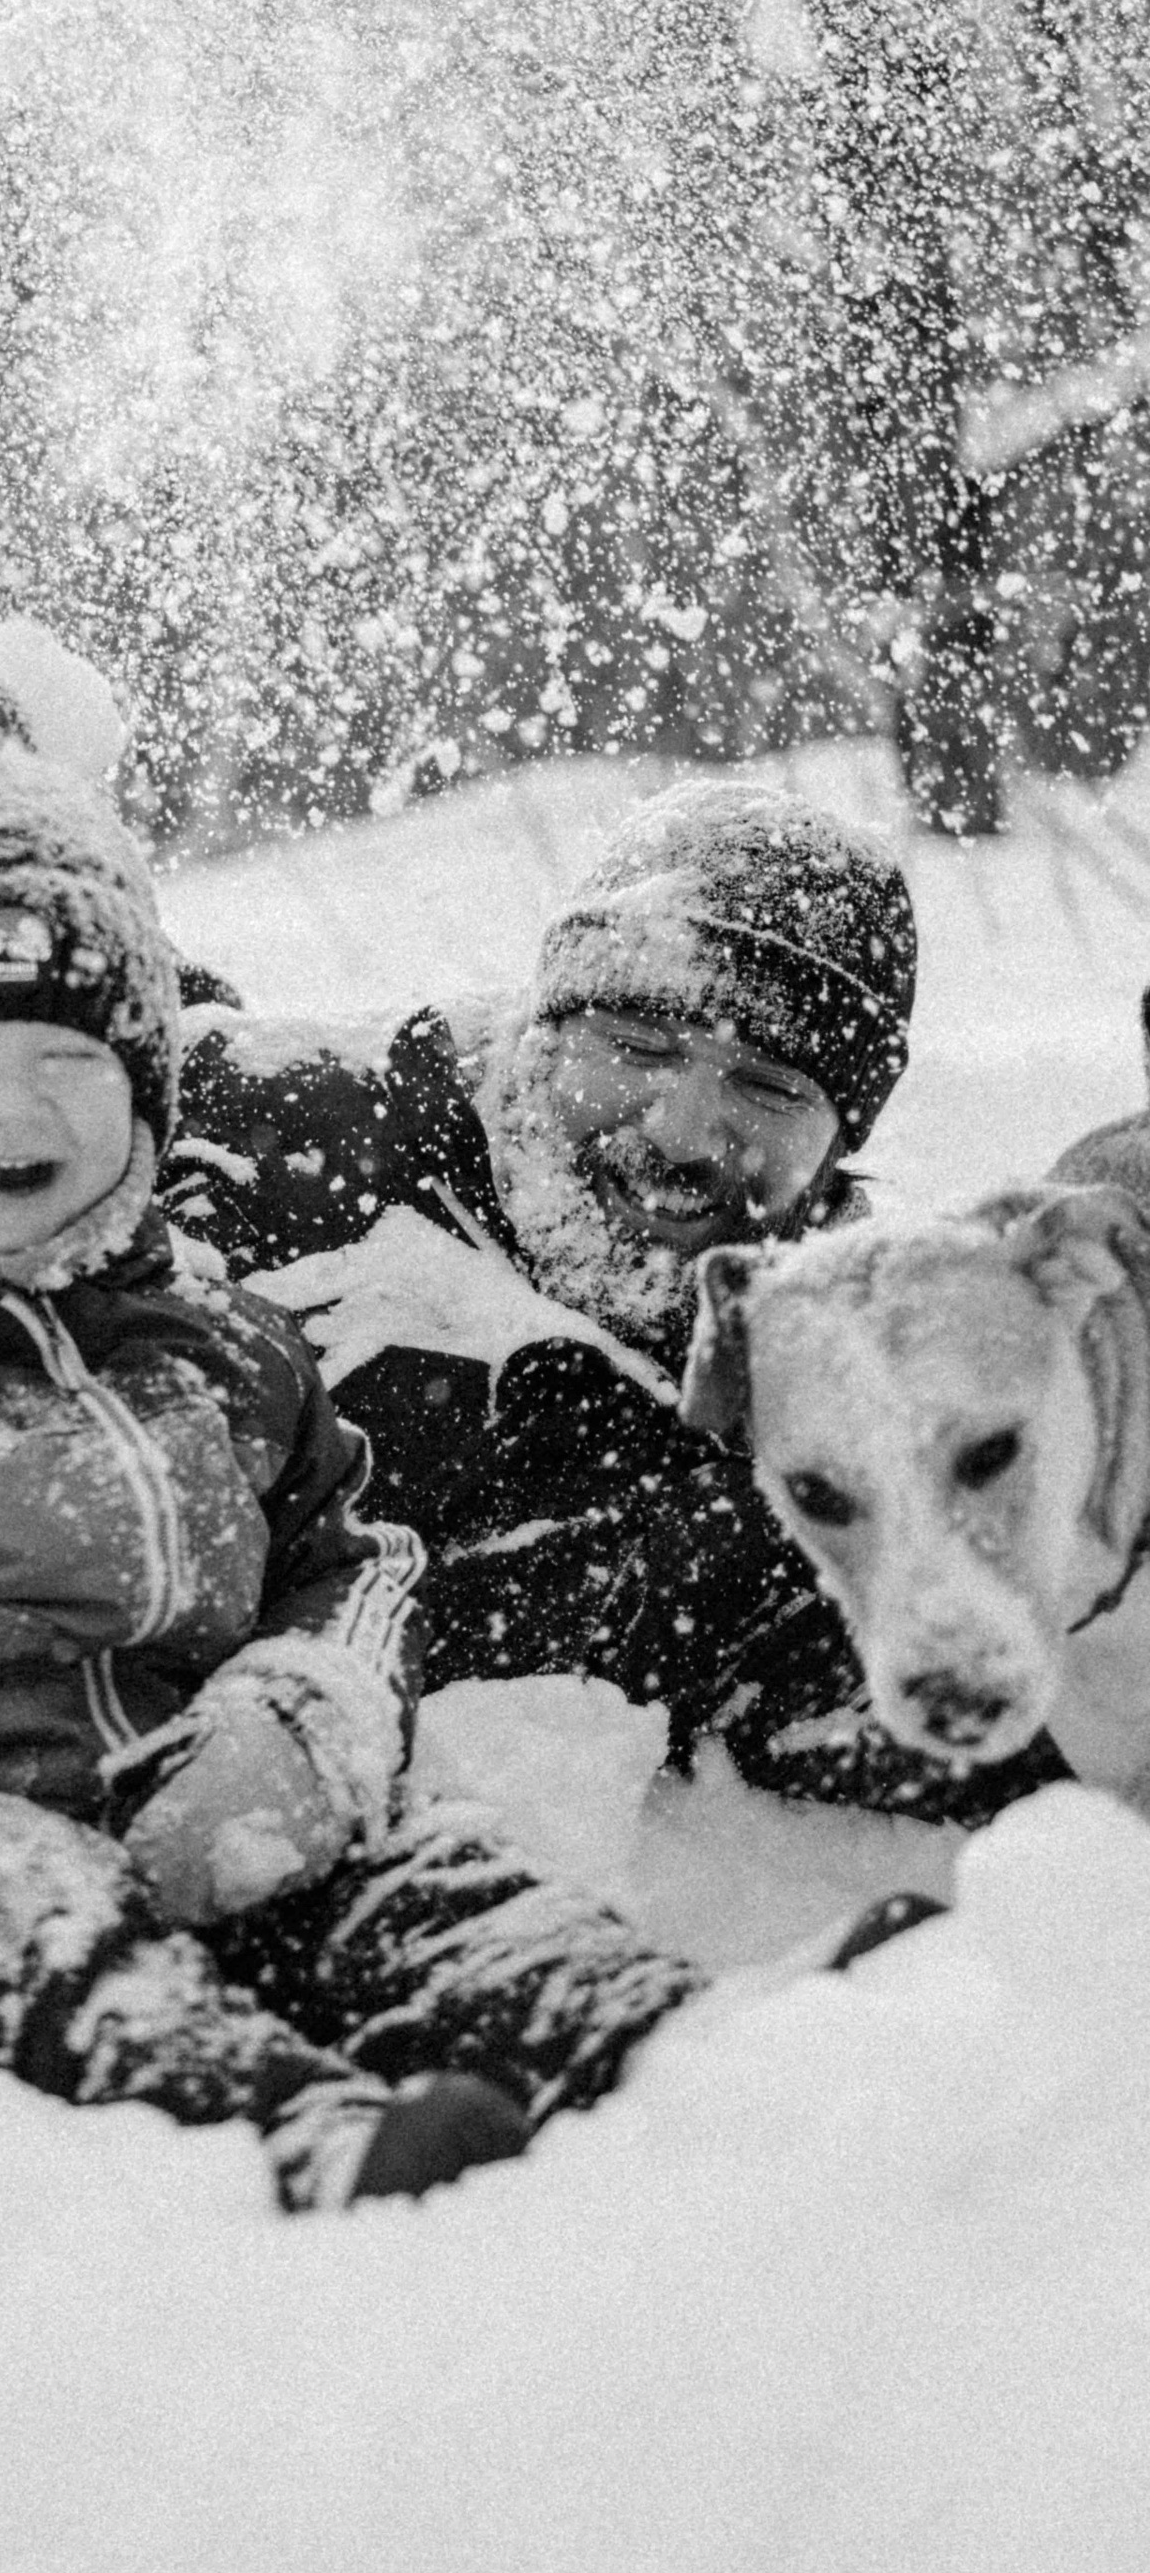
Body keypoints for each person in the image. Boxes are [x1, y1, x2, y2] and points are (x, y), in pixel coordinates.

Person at [0, 669, 714, 2210]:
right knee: (46, 1935)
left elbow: (357, 1559)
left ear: (146, 1087)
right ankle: (300, 2139)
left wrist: (300, 1717)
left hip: (216, 1795)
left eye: (71, 1062)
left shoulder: (228, 1347)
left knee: (434, 1885)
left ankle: (700, 2065)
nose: (18, 1107)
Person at [164, 779, 1066, 1820]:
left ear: (835, 1147)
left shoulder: (835, 1404)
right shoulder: (286, 1133)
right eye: (637, 1049)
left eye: (767, 1090)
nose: (683, 1132)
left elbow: (970, 1714)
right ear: (546, 1027)